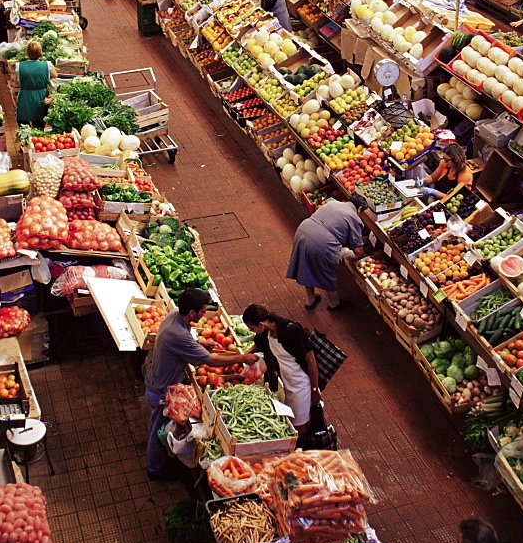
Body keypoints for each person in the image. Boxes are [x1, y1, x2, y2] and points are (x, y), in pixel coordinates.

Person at [144, 287, 259, 479]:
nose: (205, 314)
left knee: (158, 426)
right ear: (192, 313)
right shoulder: (178, 334)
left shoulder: (175, 315)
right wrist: (242, 358)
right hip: (161, 390)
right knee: (157, 430)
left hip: (161, 380)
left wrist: (200, 344)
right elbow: (210, 361)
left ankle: (160, 460)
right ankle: (155, 471)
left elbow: (186, 342)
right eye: (203, 311)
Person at [242, 305, 320, 436]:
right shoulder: (266, 331)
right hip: (285, 380)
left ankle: (302, 448)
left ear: (261, 324)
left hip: (300, 384)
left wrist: (315, 389)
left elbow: (311, 360)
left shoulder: (292, 331)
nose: (252, 331)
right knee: (290, 420)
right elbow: (259, 344)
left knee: (298, 425)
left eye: (252, 328)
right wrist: (244, 355)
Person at [287, 194, 367, 311]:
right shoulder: (354, 217)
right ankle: (334, 303)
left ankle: (310, 300)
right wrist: (352, 254)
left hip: (303, 231)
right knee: (327, 271)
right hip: (321, 241)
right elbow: (358, 251)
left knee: (306, 266)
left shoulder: (333, 203)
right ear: (359, 209)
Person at [16, 40, 56, 124]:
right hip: (41, 97)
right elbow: (55, 75)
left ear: (27, 53)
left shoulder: (20, 66)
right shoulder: (46, 65)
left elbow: (16, 82)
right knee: (39, 124)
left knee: (23, 125)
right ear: (40, 52)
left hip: (25, 98)